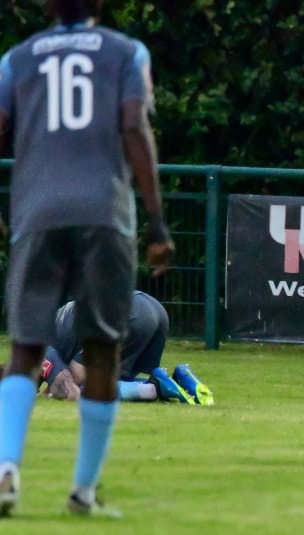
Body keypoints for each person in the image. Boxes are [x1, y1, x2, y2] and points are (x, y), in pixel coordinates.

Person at [0, 0, 174, 517]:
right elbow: (134, 129)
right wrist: (157, 221)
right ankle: (83, 491)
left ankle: (5, 467)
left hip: (36, 213)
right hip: (104, 215)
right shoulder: (126, 52)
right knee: (102, 352)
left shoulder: (17, 59)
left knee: (25, 348)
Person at [38, 291, 214, 405]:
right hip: (152, 308)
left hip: (124, 316)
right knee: (116, 380)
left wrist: (47, 396)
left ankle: (155, 389)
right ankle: (181, 379)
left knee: (86, 388)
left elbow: (69, 387)